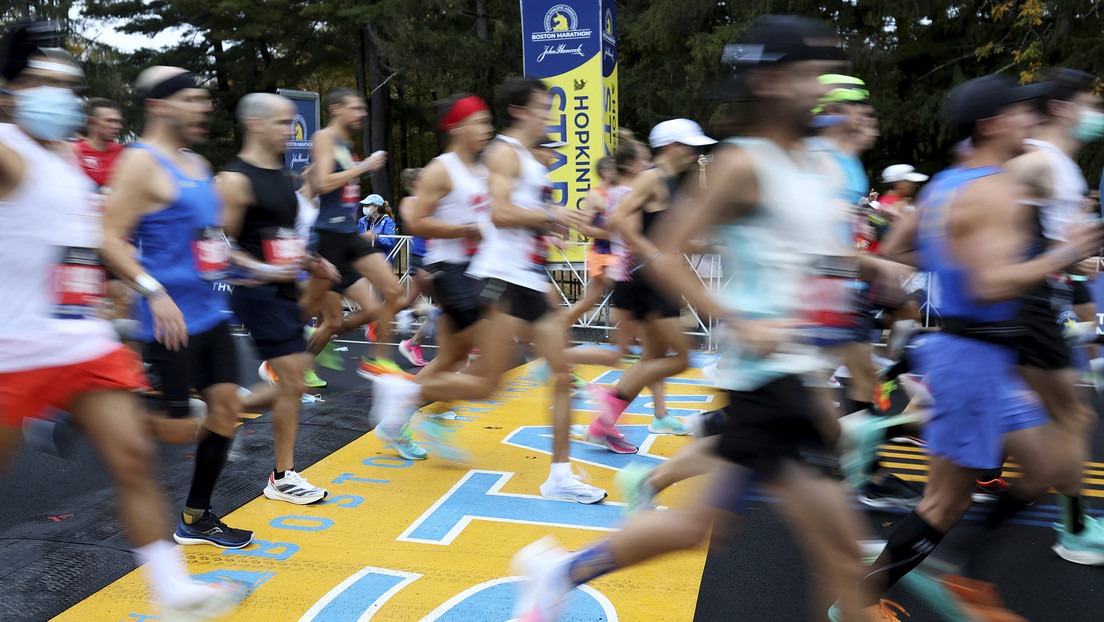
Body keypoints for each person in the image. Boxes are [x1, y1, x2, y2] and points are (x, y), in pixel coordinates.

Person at [511, 16, 886, 621]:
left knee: (704, 527)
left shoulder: (811, 165)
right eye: (811, 75)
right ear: (769, 82)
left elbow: (810, 262)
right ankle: (561, 569)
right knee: (839, 549)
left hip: (794, 375)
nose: (822, 89)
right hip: (768, 381)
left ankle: (560, 572)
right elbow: (669, 252)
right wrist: (738, 317)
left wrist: (865, 276)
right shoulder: (745, 163)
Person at [0, 23, 238, 619]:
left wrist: (118, 294)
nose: (60, 95)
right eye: (42, 82)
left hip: (81, 340)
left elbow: (85, 241)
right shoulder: (8, 149)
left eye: (67, 85)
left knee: (135, 458)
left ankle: (173, 591)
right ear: (10, 91)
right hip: (13, 350)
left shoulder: (67, 156)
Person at [853, 73, 1104, 620]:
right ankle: (858, 601)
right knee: (946, 502)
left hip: (984, 356)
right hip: (972, 355)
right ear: (992, 124)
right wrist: (1064, 254)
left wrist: (944, 262)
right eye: (1020, 113)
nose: (1031, 121)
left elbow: (901, 250)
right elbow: (990, 285)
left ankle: (961, 572)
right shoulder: (995, 190)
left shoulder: (947, 183)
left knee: (1047, 467)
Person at [101, 65, 253, 549]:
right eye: (191, 99)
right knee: (175, 430)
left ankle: (196, 517)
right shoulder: (140, 162)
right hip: (168, 319)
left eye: (203, 99)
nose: (202, 107)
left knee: (226, 410)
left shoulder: (198, 165)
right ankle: (85, 409)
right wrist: (154, 292)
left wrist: (248, 266)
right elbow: (108, 238)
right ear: (158, 106)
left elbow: (209, 238)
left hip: (211, 313)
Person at [218, 92, 340, 505]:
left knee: (292, 381)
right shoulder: (235, 180)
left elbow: (282, 237)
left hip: (286, 290)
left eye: (291, 122)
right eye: (282, 123)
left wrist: (312, 261)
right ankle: (282, 476)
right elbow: (220, 245)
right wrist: (266, 270)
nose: (291, 130)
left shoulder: (284, 177)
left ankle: (228, 410)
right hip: (256, 293)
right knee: (291, 379)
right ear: (254, 124)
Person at [1004, 67, 1104, 563]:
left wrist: (1074, 257)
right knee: (1073, 416)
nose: (1098, 115)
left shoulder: (1063, 166)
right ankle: (1075, 530)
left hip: (1045, 303)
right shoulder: (1039, 162)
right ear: (1064, 109)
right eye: (1092, 105)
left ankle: (1075, 525)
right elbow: (987, 203)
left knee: (1050, 418)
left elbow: (1054, 246)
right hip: (1031, 305)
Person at [588, 117, 715, 452]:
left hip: (655, 278)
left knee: (654, 356)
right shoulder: (652, 177)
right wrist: (654, 255)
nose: (694, 153)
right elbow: (618, 218)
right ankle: (608, 405)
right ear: (671, 146)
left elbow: (667, 233)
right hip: (648, 280)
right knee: (681, 358)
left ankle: (605, 422)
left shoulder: (671, 182)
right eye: (689, 146)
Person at [305, 86, 406, 379]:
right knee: (328, 321)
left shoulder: (346, 145)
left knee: (393, 294)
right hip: (327, 237)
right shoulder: (325, 137)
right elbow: (322, 183)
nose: (362, 113)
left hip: (347, 235)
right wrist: (364, 167)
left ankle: (378, 361)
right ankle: (288, 363)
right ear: (336, 109)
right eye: (355, 107)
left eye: (363, 108)